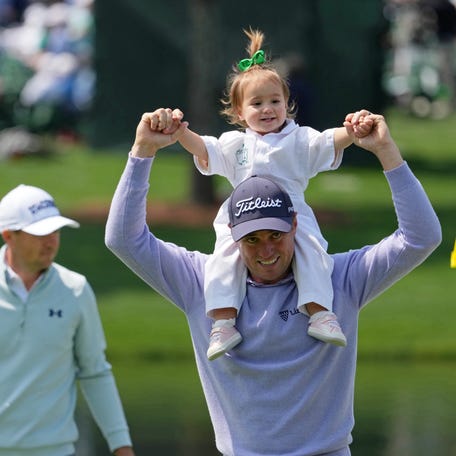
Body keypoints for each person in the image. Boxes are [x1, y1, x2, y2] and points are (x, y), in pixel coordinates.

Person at [105, 109, 441, 455]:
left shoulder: (338, 279)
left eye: (275, 235)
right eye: (252, 239)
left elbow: (421, 237)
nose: (266, 250)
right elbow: (123, 240)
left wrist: (387, 153)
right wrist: (142, 151)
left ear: (295, 225)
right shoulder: (202, 283)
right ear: (233, 238)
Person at [154, 28, 374, 360]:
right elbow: (204, 148)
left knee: (312, 251)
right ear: (240, 112)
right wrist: (180, 132)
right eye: (256, 103)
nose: (267, 109)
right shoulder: (236, 144)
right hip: (242, 213)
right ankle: (223, 322)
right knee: (224, 259)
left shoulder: (298, 141)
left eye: (275, 101)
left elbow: (328, 141)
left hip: (291, 213)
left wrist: (354, 130)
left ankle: (320, 313)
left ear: (287, 104)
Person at [0, 184, 135, 456]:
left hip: (56, 450)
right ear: (9, 235)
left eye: (55, 231)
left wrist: (121, 445)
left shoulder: (75, 289)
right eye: (40, 233)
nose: (51, 241)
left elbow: (95, 371)